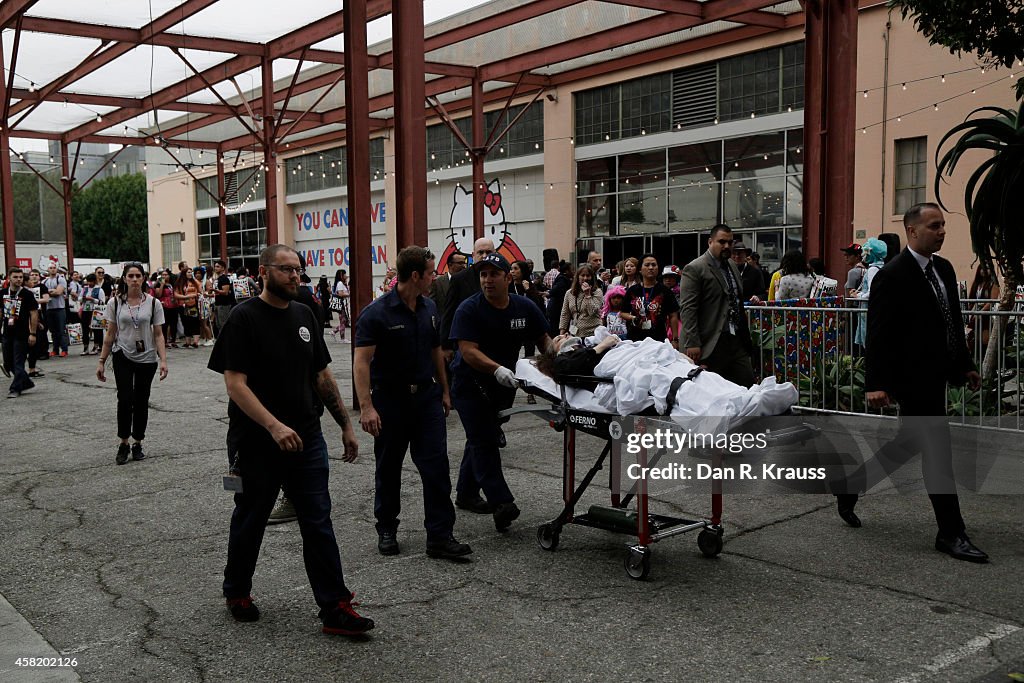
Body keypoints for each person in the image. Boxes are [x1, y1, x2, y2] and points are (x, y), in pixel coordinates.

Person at [208, 244, 374, 634]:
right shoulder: (243, 318)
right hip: (256, 440)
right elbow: (235, 384)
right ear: (264, 272)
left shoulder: (305, 314)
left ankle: (335, 606)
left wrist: (345, 426)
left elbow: (321, 376)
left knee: (317, 519)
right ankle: (237, 590)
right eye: (286, 270)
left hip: (307, 436)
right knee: (252, 516)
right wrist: (273, 426)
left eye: (298, 270)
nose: (295, 277)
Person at [835, 203, 986, 562]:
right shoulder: (893, 274)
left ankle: (850, 487)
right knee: (938, 452)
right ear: (912, 231)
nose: (942, 231)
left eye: (943, 225)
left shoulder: (945, 270)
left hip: (938, 375)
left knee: (906, 444)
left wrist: (964, 365)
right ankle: (951, 533)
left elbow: (952, 320)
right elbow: (879, 335)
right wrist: (876, 383)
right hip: (911, 378)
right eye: (934, 226)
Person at [353, 246, 471, 561]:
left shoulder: (429, 307)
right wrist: (366, 407)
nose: (434, 278)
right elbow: (361, 363)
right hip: (390, 402)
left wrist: (445, 391)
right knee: (389, 468)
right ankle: (387, 528)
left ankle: (440, 536)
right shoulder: (376, 313)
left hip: (426, 401)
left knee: (436, 469)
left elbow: (436, 352)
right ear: (416, 275)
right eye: (431, 272)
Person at [449, 253, 551, 531]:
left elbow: (543, 340)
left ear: (509, 278)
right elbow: (467, 351)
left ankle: (466, 494)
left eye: (494, 274)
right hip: (470, 385)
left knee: (480, 438)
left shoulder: (524, 307)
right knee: (484, 441)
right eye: (483, 274)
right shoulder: (469, 309)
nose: (487, 280)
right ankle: (502, 502)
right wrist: (496, 368)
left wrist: (558, 361)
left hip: (503, 386)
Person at [96, 263, 169, 464]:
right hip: (122, 355)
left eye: (138, 276)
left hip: (147, 357)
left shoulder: (154, 303)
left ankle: (137, 442)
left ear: (144, 278)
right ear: (125, 278)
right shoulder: (115, 303)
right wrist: (101, 361)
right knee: (125, 398)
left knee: (141, 400)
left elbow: (159, 334)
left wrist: (163, 360)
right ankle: (124, 442)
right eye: (131, 276)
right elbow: (110, 334)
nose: (135, 279)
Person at [679, 224, 755, 387]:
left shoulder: (732, 266)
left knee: (747, 384)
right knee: (713, 392)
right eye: (722, 242)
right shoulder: (695, 268)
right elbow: (688, 309)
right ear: (710, 242)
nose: (727, 246)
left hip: (735, 339)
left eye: (730, 242)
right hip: (709, 342)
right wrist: (692, 342)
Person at [440, 238, 496, 365]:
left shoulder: (502, 276)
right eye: (480, 252)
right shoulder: (459, 279)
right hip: (467, 342)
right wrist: (446, 345)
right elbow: (449, 313)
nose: (484, 256)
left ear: (495, 253)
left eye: (488, 252)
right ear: (473, 255)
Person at [619, 254, 680, 346]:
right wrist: (633, 318)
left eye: (654, 265)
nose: (651, 268)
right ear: (640, 269)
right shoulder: (632, 290)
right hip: (634, 341)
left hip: (658, 341)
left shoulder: (665, 291)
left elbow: (673, 316)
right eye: (647, 265)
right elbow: (623, 313)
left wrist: (675, 340)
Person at [2, 268, 39, 398]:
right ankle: (26, 382)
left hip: (22, 333)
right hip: (7, 332)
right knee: (7, 362)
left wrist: (33, 333)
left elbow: (34, 313)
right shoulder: (3, 293)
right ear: (9, 278)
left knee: (18, 362)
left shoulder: (27, 294)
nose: (18, 279)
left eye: (21, 277)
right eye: (15, 277)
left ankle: (15, 389)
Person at [851, 239, 887, 349]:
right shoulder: (883, 266)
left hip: (867, 310)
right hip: (876, 309)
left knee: (868, 341)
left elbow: (872, 292)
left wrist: (858, 296)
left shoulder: (872, 269)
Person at [558, 264, 603, 338]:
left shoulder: (597, 292)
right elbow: (565, 314)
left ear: (592, 277)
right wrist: (561, 334)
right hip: (576, 334)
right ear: (578, 277)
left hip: (594, 334)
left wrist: (588, 295)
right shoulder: (569, 293)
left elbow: (592, 311)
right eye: (582, 275)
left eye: (588, 275)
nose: (585, 278)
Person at [965, 260, 1001, 350]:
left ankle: (984, 358)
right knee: (973, 337)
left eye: (987, 268)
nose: (984, 271)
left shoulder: (993, 284)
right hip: (976, 314)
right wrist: (968, 313)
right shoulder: (977, 284)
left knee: (985, 340)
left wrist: (980, 313)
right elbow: (971, 301)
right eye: (982, 268)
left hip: (986, 315)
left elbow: (991, 301)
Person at [43, 263, 69, 358]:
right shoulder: (45, 281)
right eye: (51, 268)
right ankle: (55, 349)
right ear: (48, 269)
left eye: (54, 268)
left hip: (60, 308)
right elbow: (42, 292)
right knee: (53, 331)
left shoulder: (61, 279)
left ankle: (64, 349)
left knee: (61, 330)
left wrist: (48, 292)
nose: (53, 270)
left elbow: (58, 292)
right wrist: (52, 291)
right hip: (49, 308)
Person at [430, 252, 467, 318]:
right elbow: (432, 305)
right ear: (450, 265)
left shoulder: (468, 282)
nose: (464, 266)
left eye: (464, 263)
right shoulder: (437, 283)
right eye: (460, 263)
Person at [174, 267, 202, 348]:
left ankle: (195, 342)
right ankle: (187, 342)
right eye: (189, 272)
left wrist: (197, 294)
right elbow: (175, 294)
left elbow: (200, 291)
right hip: (183, 306)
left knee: (194, 322)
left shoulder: (195, 282)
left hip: (193, 305)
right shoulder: (179, 283)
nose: (190, 274)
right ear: (184, 273)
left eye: (191, 272)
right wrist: (185, 297)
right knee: (186, 323)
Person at [80, 273, 107, 355]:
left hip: (95, 311)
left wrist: (92, 299)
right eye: (88, 281)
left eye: (91, 282)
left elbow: (102, 302)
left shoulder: (99, 290)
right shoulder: (84, 289)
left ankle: (96, 346)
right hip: (85, 310)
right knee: (85, 329)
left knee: (96, 329)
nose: (89, 283)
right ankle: (85, 347)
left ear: (94, 281)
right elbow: (79, 298)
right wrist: (83, 299)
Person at [213, 260, 236, 333]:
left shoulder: (224, 278)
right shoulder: (217, 279)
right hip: (218, 303)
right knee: (218, 324)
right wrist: (209, 294)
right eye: (215, 266)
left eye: (218, 267)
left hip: (224, 304)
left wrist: (214, 290)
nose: (215, 268)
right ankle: (222, 341)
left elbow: (225, 292)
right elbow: (218, 292)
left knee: (223, 324)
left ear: (223, 268)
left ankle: (226, 341)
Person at [330, 269, 351, 342]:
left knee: (344, 321)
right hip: (341, 304)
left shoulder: (343, 283)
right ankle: (342, 338)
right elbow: (340, 293)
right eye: (344, 274)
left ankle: (334, 331)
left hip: (344, 305)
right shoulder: (340, 284)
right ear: (341, 275)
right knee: (343, 321)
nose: (346, 276)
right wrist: (349, 294)